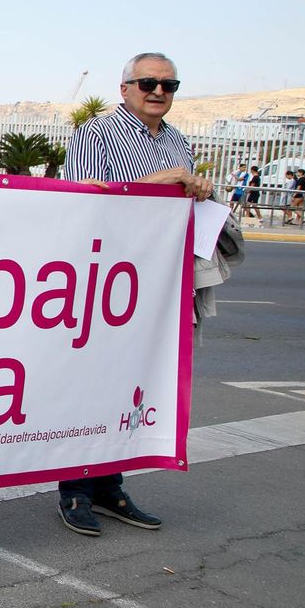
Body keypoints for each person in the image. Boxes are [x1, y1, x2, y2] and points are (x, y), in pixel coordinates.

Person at [57, 51, 212, 538]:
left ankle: (109, 484)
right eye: (148, 83)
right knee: (89, 382)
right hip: (102, 277)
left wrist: (197, 192)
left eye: (169, 84)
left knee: (128, 384)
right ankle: (75, 488)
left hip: (152, 286)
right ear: (125, 88)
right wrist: (158, 183)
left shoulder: (179, 143)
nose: (158, 92)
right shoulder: (97, 133)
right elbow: (80, 195)